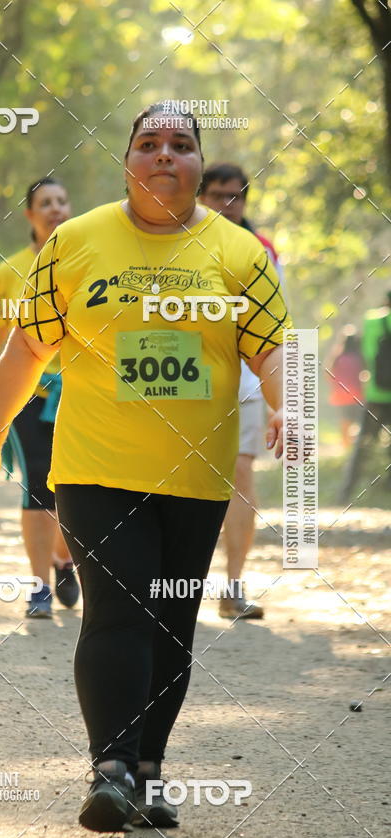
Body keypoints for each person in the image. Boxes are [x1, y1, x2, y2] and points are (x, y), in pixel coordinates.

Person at [0, 104, 291, 833]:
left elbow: (272, 349)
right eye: (148, 144)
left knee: (171, 623)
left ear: (200, 165)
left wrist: (285, 403)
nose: (164, 155)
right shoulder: (76, 243)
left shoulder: (239, 255)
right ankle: (110, 767)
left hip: (196, 473)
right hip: (95, 465)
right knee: (119, 611)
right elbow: (27, 348)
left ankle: (147, 769)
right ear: (127, 164)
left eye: (181, 145)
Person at [0, 177, 79, 617]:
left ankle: (65, 558)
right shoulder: (8, 271)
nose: (55, 208)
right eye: (45, 203)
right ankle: (38, 587)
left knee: (74, 487)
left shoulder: (87, 260)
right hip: (31, 392)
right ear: (29, 214)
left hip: (84, 391)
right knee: (37, 483)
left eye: (61, 200)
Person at [199, 162, 284, 620]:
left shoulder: (262, 251)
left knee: (241, 476)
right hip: (182, 385)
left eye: (236, 197)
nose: (227, 206)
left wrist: (287, 402)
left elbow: (277, 329)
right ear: (200, 197)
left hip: (247, 385)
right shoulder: (174, 242)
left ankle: (232, 587)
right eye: (217, 196)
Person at [341, 290, 391, 502]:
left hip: (375, 394)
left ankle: (345, 493)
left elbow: (367, 355)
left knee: (363, 445)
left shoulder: (373, 320)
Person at [326, 326, 364, 448]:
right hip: (356, 395)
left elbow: (329, 374)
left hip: (340, 395)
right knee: (356, 422)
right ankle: (353, 446)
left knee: (344, 422)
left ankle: (345, 446)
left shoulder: (337, 358)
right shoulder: (359, 358)